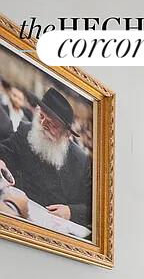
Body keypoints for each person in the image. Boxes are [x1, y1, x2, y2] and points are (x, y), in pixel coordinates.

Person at [0, 86, 91, 229]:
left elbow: (92, 207)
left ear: (66, 134)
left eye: (52, 124)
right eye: (41, 117)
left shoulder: (81, 161)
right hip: (16, 213)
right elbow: (6, 152)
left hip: (50, 230)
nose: (42, 125)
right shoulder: (26, 130)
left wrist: (71, 212)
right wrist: (1, 161)